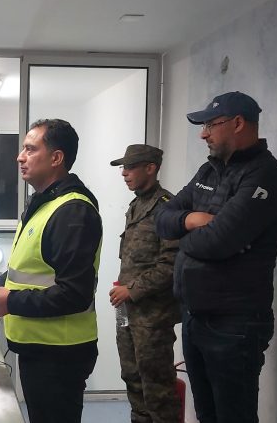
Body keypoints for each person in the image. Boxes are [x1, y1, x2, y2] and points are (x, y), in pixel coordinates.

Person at [0, 119, 103, 423]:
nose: (19, 157)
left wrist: (11, 302)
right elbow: (17, 273)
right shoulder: (43, 205)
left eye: (30, 149)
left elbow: (75, 294)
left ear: (56, 158)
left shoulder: (72, 211)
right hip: (40, 349)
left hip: (60, 354)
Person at [154, 91, 277, 423]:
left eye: (210, 125)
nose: (203, 134)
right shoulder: (208, 171)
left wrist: (182, 236)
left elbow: (218, 241)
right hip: (195, 316)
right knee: (207, 415)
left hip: (234, 324)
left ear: (238, 123)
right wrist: (191, 220)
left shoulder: (266, 175)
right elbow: (161, 219)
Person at [108, 144, 181, 423]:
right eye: (123, 168)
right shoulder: (136, 205)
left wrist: (132, 289)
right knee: (132, 377)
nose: (124, 173)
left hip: (153, 317)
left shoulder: (168, 207)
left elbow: (171, 263)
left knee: (157, 386)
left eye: (130, 167)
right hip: (127, 312)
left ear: (150, 168)